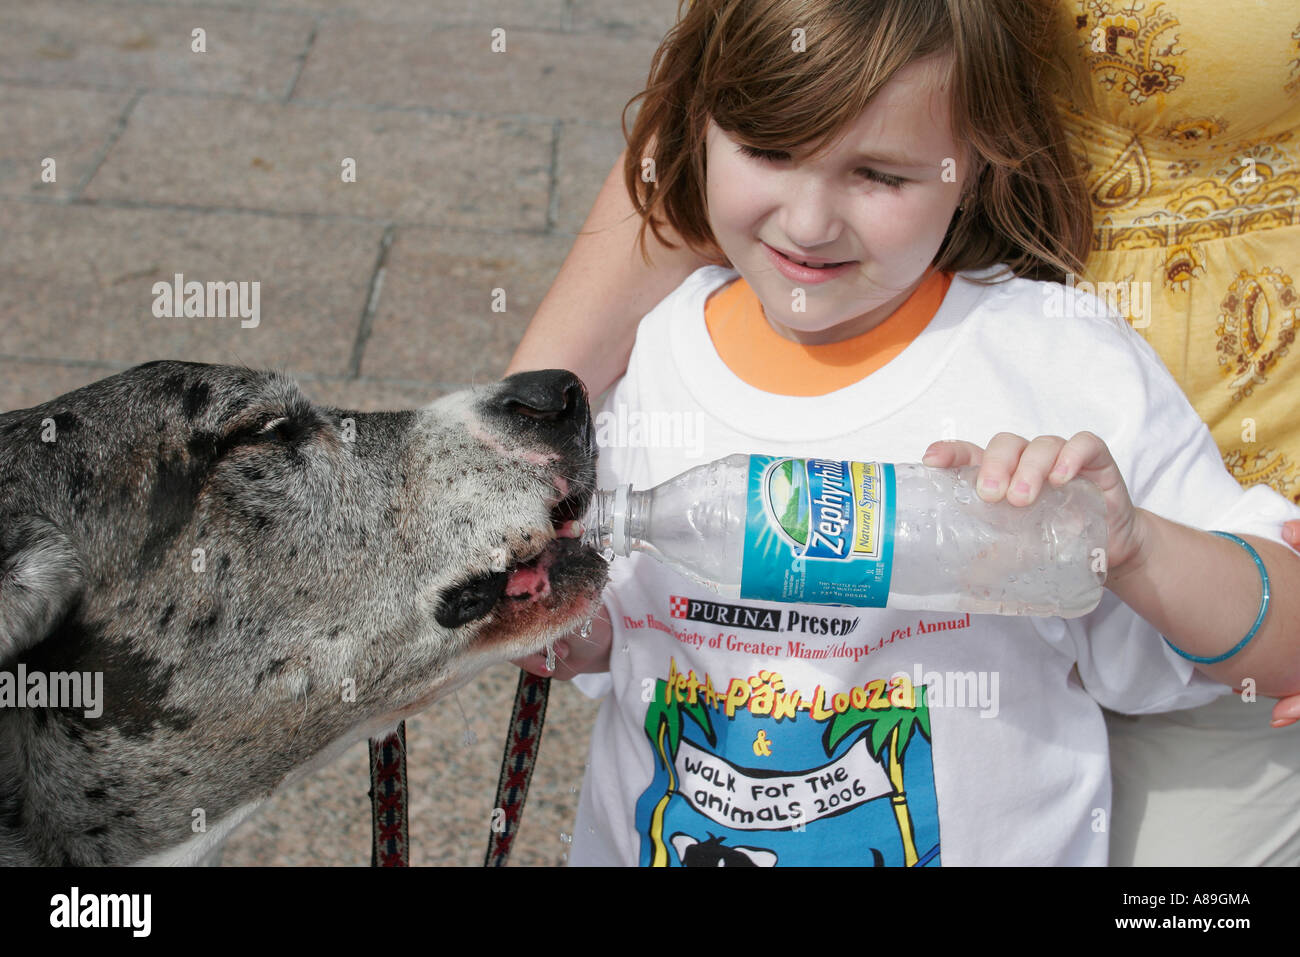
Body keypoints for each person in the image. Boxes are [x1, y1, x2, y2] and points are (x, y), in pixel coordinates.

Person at [509, 0, 1300, 865]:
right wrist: (557, 624)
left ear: (979, 160)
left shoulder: (1054, 368)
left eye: (880, 175)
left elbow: (1282, 639)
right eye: (769, 151)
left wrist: (1133, 546)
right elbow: (613, 634)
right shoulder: (655, 359)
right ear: (694, 124)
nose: (808, 223)